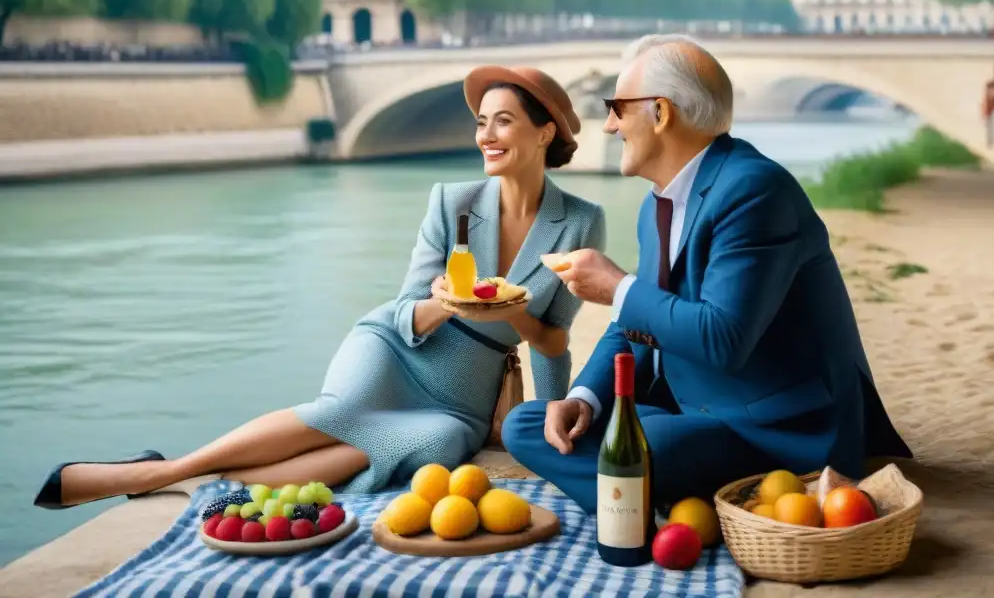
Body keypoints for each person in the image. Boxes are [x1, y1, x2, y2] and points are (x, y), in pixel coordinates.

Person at [34, 66, 606, 510]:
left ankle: (185, 477)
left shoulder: (579, 220)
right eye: (481, 122)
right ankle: (158, 473)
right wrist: (447, 305)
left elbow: (553, 340)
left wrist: (547, 419)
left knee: (433, 446)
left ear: (544, 131)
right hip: (400, 348)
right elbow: (407, 309)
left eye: (503, 121)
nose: (486, 135)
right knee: (344, 410)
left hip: (463, 397)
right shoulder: (448, 200)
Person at [501, 34, 912, 515]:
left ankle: (642, 503)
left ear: (661, 113)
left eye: (617, 107)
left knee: (641, 441)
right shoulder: (657, 202)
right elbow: (634, 323)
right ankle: (647, 493)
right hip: (693, 408)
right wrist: (586, 399)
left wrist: (617, 287)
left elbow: (724, 338)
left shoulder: (754, 190)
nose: (610, 125)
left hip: (776, 427)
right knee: (526, 425)